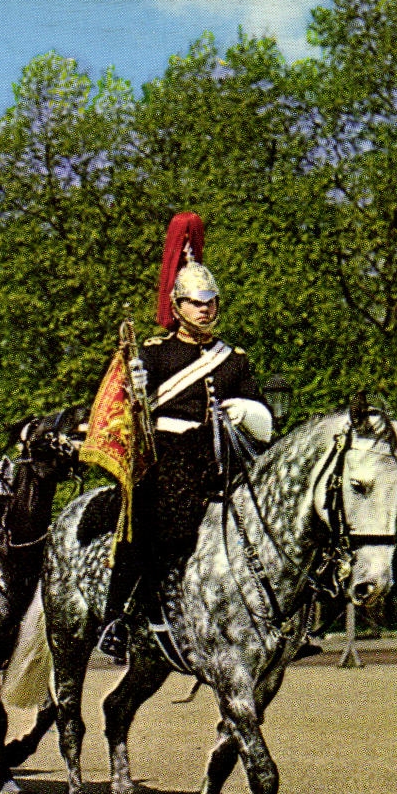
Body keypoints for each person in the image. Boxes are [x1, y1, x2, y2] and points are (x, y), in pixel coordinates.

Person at [99, 211, 274, 658]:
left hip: (223, 456)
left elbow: (265, 420)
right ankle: (120, 616)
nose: (206, 310)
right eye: (197, 303)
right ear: (177, 307)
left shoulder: (235, 360)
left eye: (211, 302)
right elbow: (126, 412)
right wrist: (134, 385)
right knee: (160, 521)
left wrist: (246, 410)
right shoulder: (155, 354)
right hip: (171, 455)